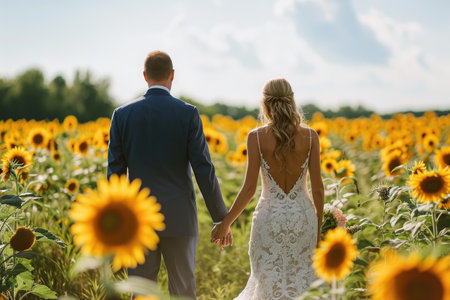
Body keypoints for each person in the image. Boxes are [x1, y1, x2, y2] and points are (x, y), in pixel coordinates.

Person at [107, 50, 232, 299]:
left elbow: (115, 174)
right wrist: (221, 218)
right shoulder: (188, 113)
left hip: (138, 220)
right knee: (184, 291)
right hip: (180, 219)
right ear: (172, 75)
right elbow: (204, 169)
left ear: (145, 76)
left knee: (141, 292)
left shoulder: (122, 115)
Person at [211, 78, 324, 299]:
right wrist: (318, 231)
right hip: (303, 218)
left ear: (265, 104)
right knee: (304, 283)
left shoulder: (255, 138)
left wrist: (226, 223)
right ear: (291, 100)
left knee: (265, 283)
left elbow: (249, 189)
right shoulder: (310, 137)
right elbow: (318, 188)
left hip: (269, 219)